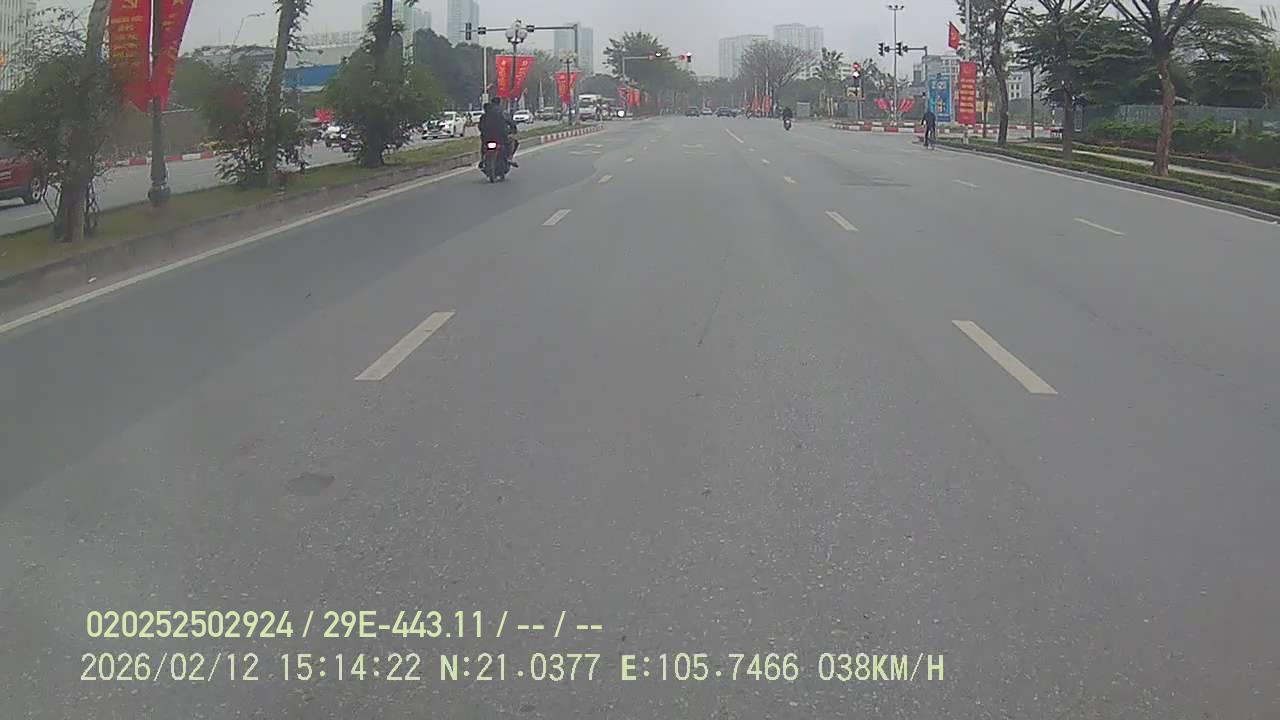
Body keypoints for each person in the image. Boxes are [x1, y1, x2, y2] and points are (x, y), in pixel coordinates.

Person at [478, 101, 519, 168]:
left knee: (483, 145)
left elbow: (480, 127)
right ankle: (509, 157)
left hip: (487, 138)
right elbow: (510, 123)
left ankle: (482, 159)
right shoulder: (501, 114)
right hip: (500, 138)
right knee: (513, 141)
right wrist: (513, 130)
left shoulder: (484, 116)